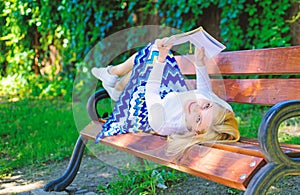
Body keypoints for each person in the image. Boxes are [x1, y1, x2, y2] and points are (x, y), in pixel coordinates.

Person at [91, 38, 240, 156]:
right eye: (206, 106)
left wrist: (160, 61)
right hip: (165, 95)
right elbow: (205, 93)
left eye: (198, 119)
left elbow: (151, 91)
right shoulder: (220, 112)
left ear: (195, 131)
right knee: (151, 55)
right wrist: (199, 63)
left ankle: (113, 79)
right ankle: (114, 82)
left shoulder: (163, 121)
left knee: (153, 53)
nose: (196, 108)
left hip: (141, 103)